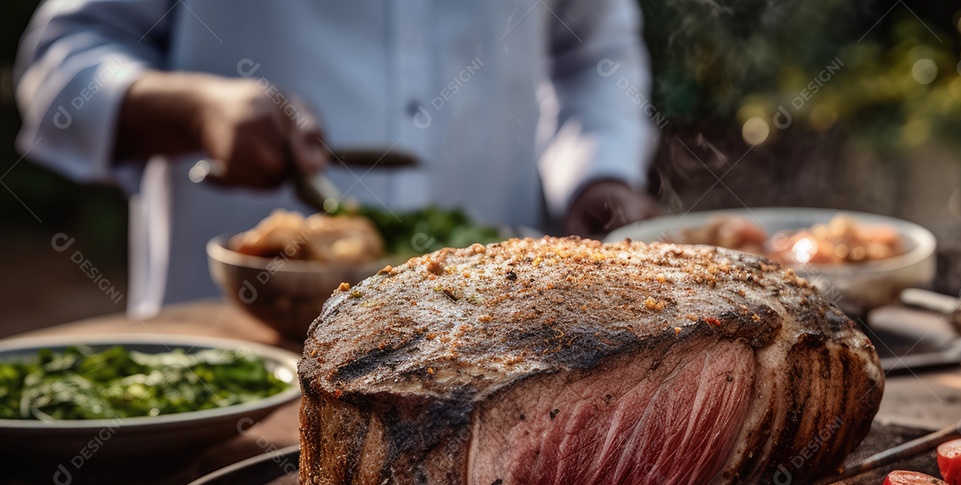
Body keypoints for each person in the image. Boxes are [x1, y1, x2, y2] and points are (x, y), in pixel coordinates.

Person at [16, 0, 659, 318]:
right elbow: (61, 61)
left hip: (487, 326)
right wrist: (195, 109)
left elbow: (591, 58)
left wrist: (597, 172)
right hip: (239, 338)